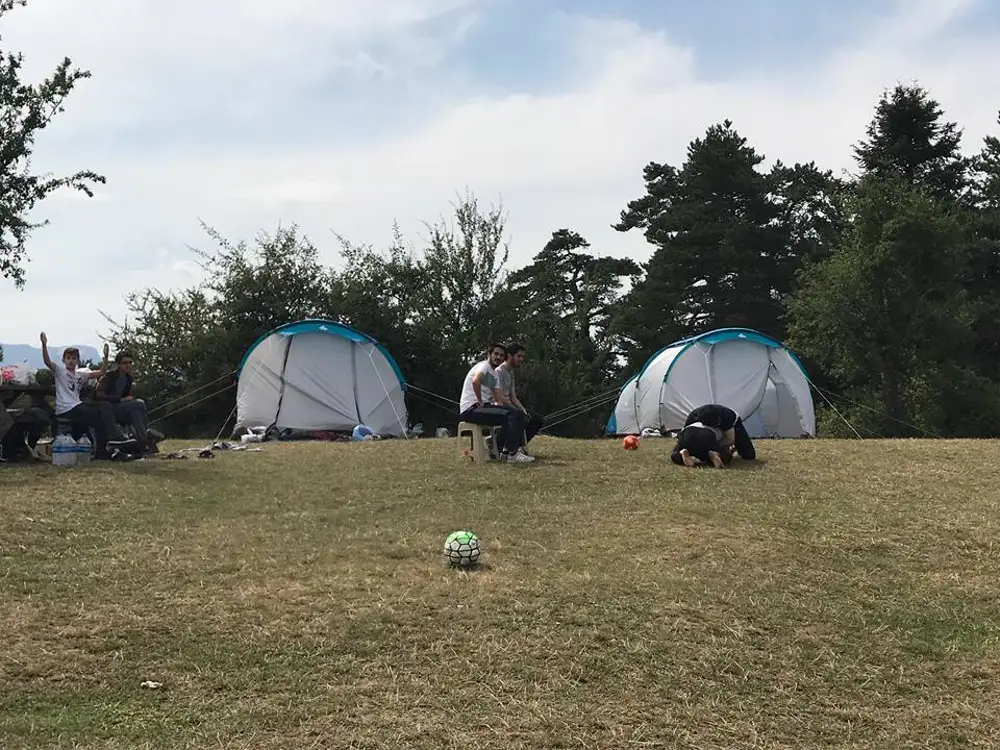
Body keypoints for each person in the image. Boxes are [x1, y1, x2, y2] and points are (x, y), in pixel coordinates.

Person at [40, 332, 131, 457]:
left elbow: (101, 372)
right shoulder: (60, 372)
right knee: (97, 418)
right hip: (66, 408)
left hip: (77, 405)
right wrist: (44, 344)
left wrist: (105, 356)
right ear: (64, 360)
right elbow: (47, 362)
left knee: (104, 406)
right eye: (68, 358)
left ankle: (112, 437)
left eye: (74, 358)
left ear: (78, 361)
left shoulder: (80, 375)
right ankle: (105, 446)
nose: (71, 361)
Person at [457, 343, 533, 464]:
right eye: (496, 354)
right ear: (489, 354)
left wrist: (511, 410)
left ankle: (506, 452)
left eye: (501, 355)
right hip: (471, 409)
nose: (498, 357)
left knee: (516, 414)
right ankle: (512, 454)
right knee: (511, 415)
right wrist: (480, 400)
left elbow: (498, 399)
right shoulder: (484, 366)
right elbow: (476, 381)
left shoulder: (494, 374)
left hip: (483, 408)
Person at [95, 349, 161, 454]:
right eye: (125, 363)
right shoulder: (109, 376)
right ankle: (147, 435)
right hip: (109, 409)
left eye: (130, 362)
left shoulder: (128, 379)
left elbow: (127, 396)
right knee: (139, 403)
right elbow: (98, 395)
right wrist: (120, 400)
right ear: (118, 364)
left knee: (135, 413)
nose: (128, 365)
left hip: (122, 409)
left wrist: (127, 400)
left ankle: (143, 443)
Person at [495, 342, 545, 456]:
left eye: (522, 356)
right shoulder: (499, 372)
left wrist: (523, 410)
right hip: (500, 406)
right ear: (510, 355)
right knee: (518, 416)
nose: (521, 359)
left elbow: (513, 397)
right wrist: (516, 410)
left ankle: (518, 446)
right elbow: (500, 397)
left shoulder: (510, 373)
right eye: (519, 356)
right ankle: (505, 447)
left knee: (536, 419)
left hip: (509, 405)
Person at [682, 403, 756, 460]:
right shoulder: (693, 416)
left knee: (749, 455)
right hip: (706, 436)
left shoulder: (727, 416)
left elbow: (730, 439)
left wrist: (713, 447)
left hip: (727, 428)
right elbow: (685, 435)